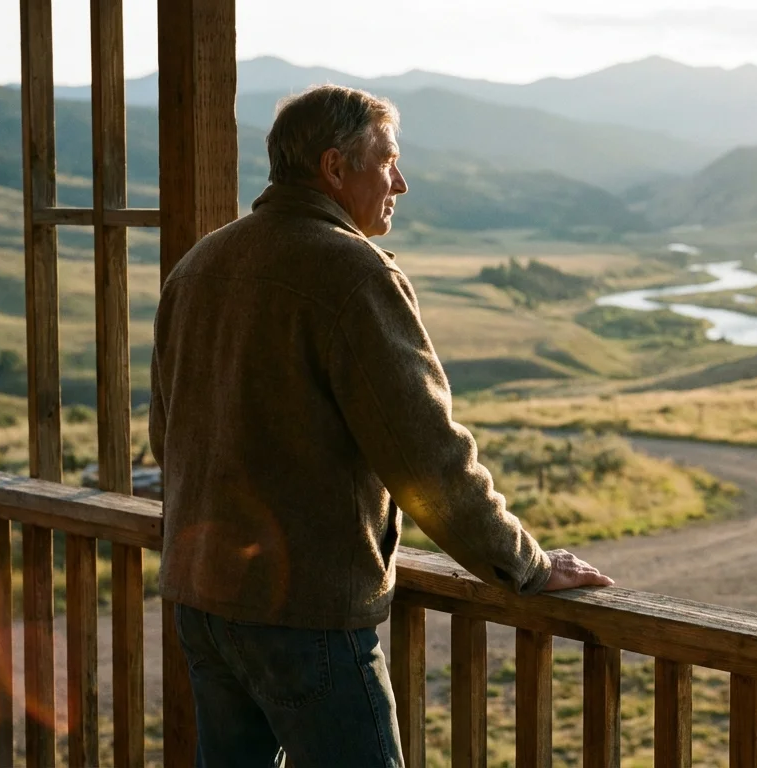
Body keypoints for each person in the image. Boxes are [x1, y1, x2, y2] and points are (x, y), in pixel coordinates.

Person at [149, 84, 613, 768]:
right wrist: (525, 565)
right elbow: (427, 455)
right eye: (389, 162)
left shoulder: (200, 264)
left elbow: (167, 435)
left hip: (203, 602)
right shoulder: (352, 273)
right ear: (335, 168)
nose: (401, 183)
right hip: (306, 614)